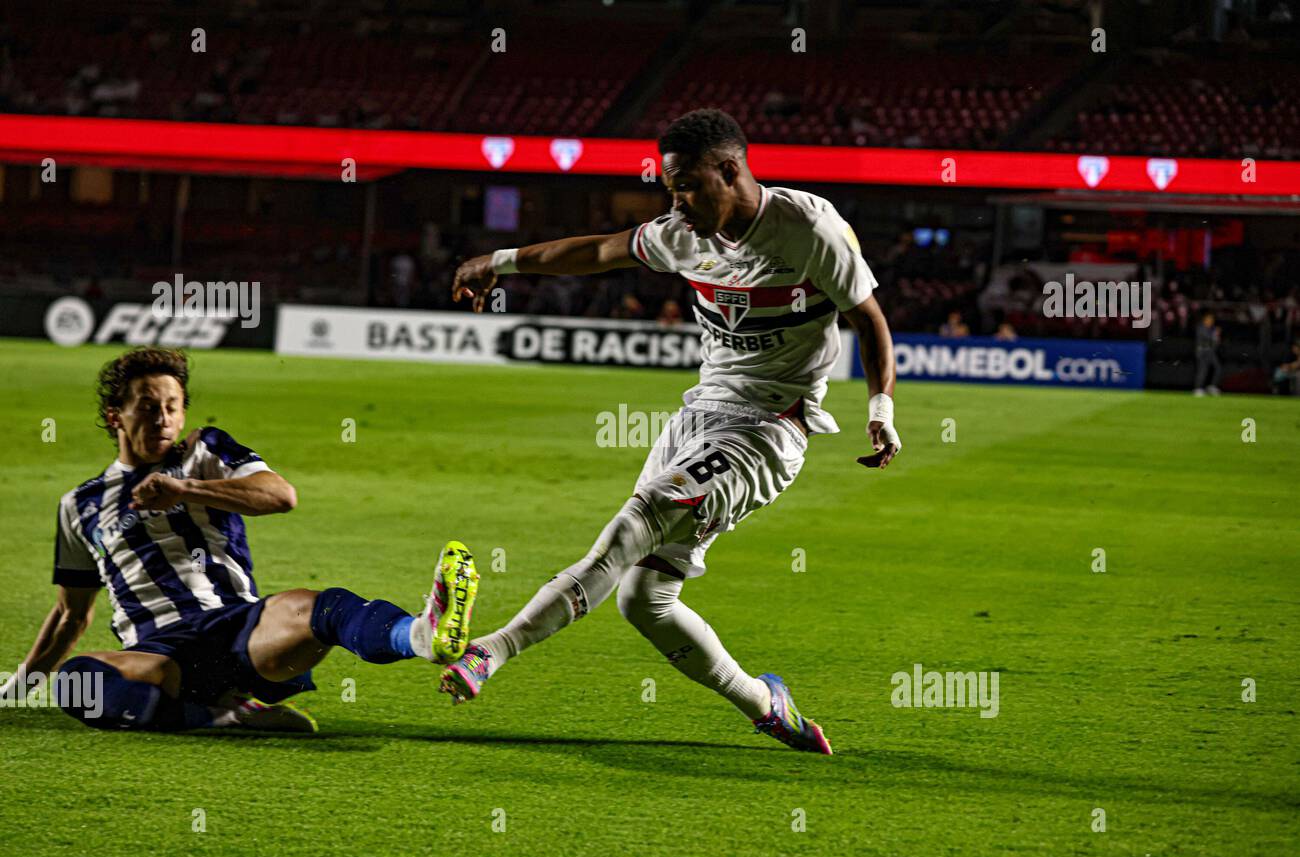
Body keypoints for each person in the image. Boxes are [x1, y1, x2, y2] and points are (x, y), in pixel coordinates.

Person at [449, 109, 902, 755]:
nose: (677, 201)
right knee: (645, 600)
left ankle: (490, 652)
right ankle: (764, 702)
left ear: (730, 170)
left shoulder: (808, 228)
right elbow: (599, 251)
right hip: (698, 416)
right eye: (669, 188)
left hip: (770, 427)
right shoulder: (680, 234)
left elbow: (870, 318)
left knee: (638, 522)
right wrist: (500, 260)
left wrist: (880, 410)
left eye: (688, 185)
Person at [0, 347, 479, 733]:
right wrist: (19, 686)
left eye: (172, 407)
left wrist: (185, 489)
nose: (164, 419)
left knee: (323, 606)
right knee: (76, 682)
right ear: (115, 417)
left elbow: (280, 495)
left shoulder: (203, 452)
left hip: (242, 632)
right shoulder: (79, 504)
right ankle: (228, 715)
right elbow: (71, 613)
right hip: (157, 655)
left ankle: (420, 635)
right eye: (147, 407)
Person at [1195, 311, 1223, 396]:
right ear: (1204, 320)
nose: (1210, 321)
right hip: (1203, 352)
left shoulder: (1212, 329)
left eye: (1211, 319)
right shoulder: (1201, 328)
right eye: (1209, 319)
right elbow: (1206, 339)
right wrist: (1215, 335)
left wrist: (1216, 337)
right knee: (1203, 371)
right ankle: (1198, 389)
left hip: (1211, 353)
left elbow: (1216, 343)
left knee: (1218, 368)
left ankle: (1212, 386)